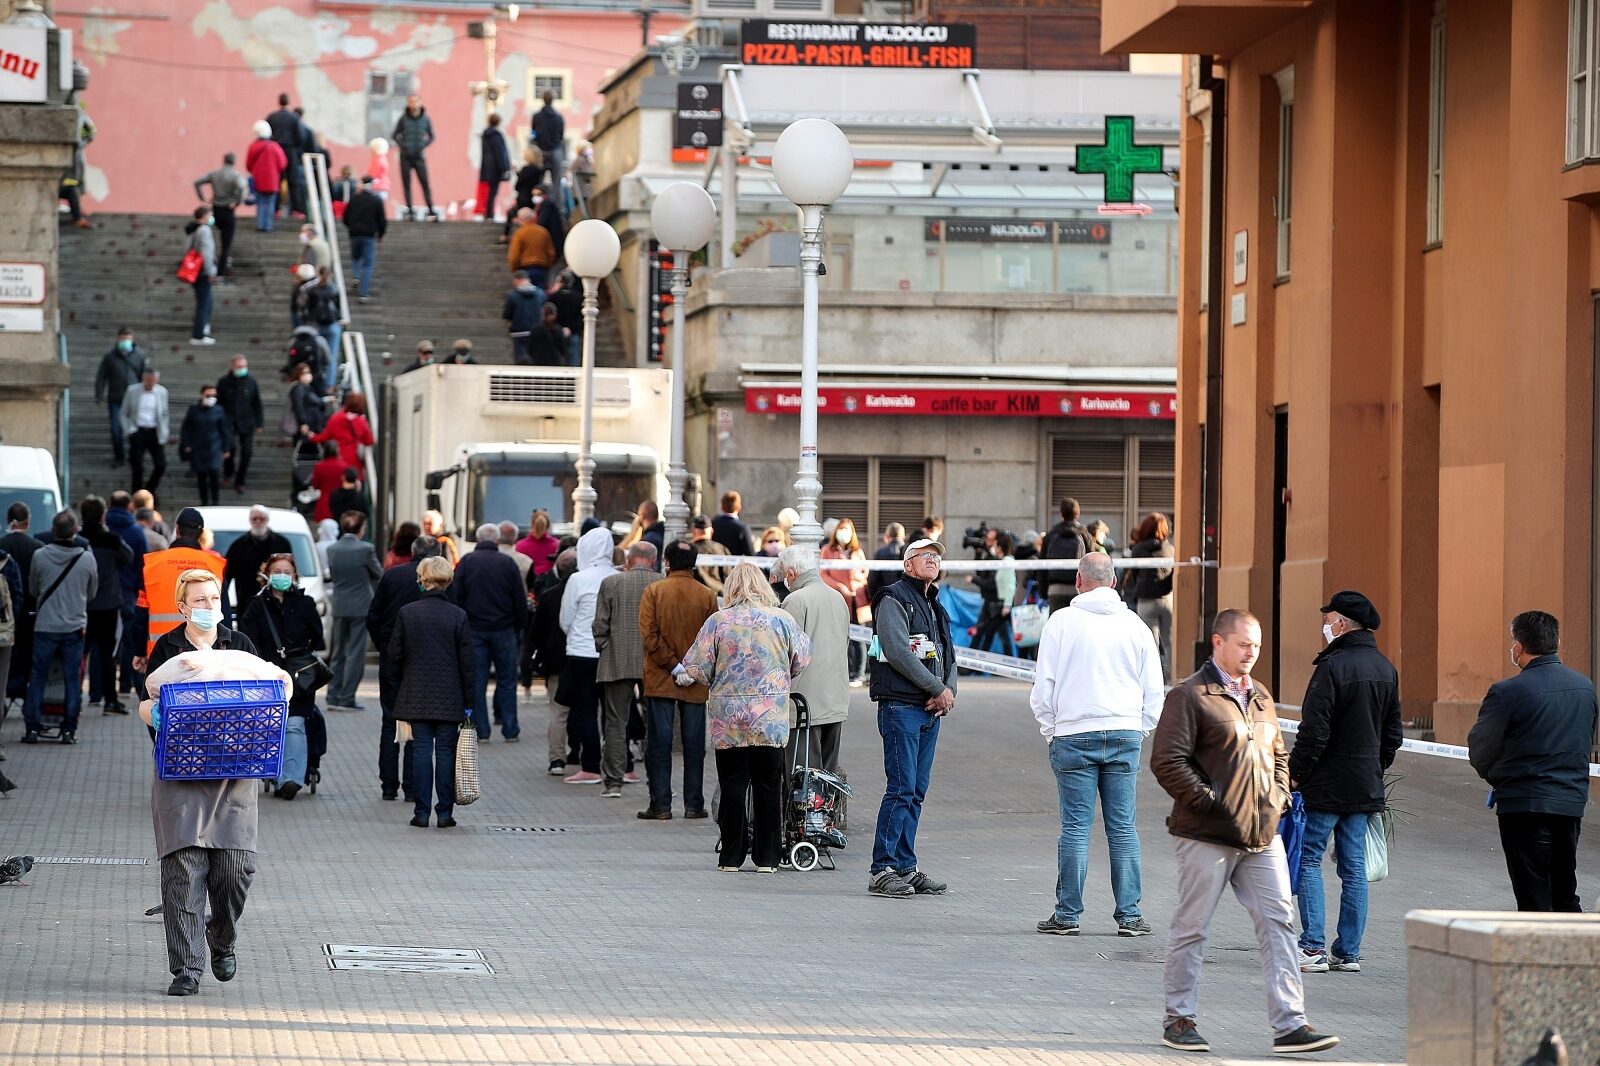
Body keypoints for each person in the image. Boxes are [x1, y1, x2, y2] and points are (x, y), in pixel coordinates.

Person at [1151, 609, 1339, 1056]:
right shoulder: (1191, 695)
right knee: (1193, 927)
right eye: (1243, 644)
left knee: (1279, 923)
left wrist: (1278, 796)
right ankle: (1179, 1019)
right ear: (1218, 642)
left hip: (1261, 834)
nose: (1252, 652)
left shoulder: (1260, 696)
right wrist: (1210, 801)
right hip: (1205, 834)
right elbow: (1167, 760)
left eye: (1256, 645)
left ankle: (1291, 1024)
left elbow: (1277, 753)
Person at [137, 568, 265, 997]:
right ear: (182, 606)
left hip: (234, 775)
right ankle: (186, 968)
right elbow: (149, 698)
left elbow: (264, 695)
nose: (209, 607)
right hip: (181, 772)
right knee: (182, 871)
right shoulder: (167, 648)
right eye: (200, 601)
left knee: (234, 870)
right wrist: (154, 716)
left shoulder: (239, 646)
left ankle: (222, 935)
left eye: (214, 598)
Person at [1027, 551, 1163, 937]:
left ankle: (1067, 915)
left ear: (1078, 581)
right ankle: (1130, 915)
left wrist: (1051, 729)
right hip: (1123, 733)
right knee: (1122, 828)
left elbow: (1044, 687)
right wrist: (1140, 728)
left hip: (1073, 734)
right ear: (1115, 582)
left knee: (1075, 828)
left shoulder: (1061, 622)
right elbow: (1155, 688)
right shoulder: (1135, 626)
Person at [1289, 590, 1403, 972]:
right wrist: (1375, 768)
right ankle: (1348, 952)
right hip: (1363, 786)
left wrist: (1296, 772)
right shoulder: (1386, 669)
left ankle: (1313, 948)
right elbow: (1393, 735)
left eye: (1330, 618)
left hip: (1325, 785)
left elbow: (1313, 731)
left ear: (1342, 624)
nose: (1326, 625)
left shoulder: (1331, 668)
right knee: (1353, 867)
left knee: (1309, 860)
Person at [680, 562, 811, 872]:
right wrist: (779, 680)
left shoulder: (718, 621)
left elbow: (696, 666)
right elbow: (802, 658)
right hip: (769, 717)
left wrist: (719, 681)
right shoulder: (781, 619)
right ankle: (767, 857)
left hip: (729, 719)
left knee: (732, 786)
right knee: (769, 786)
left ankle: (731, 856)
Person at [1468, 610, 1599, 913]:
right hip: (1569, 802)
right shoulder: (1584, 687)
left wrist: (1500, 777)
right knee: (1565, 891)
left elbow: (1480, 748)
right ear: (1556, 641)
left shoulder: (1507, 691)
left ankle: (1543, 955)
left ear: (1519, 647)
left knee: (1532, 894)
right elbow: (1585, 738)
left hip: (1523, 803)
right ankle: (1575, 955)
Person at [866, 538, 956, 898]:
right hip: (900, 705)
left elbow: (950, 654)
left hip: (929, 709)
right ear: (908, 564)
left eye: (936, 556)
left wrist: (947, 692)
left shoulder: (935, 603)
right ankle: (881, 868)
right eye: (925, 556)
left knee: (916, 791)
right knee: (901, 788)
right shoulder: (893, 598)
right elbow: (898, 651)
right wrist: (937, 687)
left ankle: (905, 865)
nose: (933, 560)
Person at [636, 539, 718, 820]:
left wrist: (674, 666)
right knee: (694, 746)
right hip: (695, 681)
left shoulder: (654, 591)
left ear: (667, 562)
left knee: (659, 743)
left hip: (661, 678)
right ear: (694, 563)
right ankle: (694, 804)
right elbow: (711, 641)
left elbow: (650, 636)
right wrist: (690, 668)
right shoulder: (707, 595)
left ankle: (660, 805)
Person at [390, 556, 473, 827]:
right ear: (447, 580)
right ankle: (445, 813)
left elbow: (394, 655)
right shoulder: (458, 616)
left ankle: (421, 812)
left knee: (422, 751)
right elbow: (468, 664)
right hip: (450, 697)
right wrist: (469, 704)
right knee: (447, 752)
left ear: (422, 578)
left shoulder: (408, 612)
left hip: (417, 694)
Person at [238, 553, 326, 799]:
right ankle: (277, 775)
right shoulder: (256, 606)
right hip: (267, 674)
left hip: (299, 677)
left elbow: (317, 638)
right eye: (277, 571)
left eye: (287, 572)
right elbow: (248, 641)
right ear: (266, 574)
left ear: (295, 576)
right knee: (273, 724)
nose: (282, 576)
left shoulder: (306, 603)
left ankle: (290, 780)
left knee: (295, 724)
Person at [367, 534, 438, 801]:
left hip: (392, 656)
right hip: (425, 659)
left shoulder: (392, 576)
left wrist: (384, 644)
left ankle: (388, 785)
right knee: (417, 721)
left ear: (412, 550)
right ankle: (411, 786)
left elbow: (373, 616)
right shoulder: (440, 581)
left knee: (391, 719)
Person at [21, 510, 97, 745]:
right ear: (75, 530)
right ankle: (68, 730)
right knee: (73, 680)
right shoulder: (86, 558)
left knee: (38, 678)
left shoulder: (39, 555)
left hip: (45, 626)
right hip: (74, 627)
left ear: (53, 531)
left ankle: (32, 729)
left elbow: (33, 589)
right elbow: (92, 593)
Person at [593, 542, 661, 797]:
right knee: (656, 722)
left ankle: (613, 782)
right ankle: (658, 782)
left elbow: (600, 624)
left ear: (630, 559)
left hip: (617, 659)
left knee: (615, 722)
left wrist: (603, 645)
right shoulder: (661, 583)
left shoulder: (611, 583)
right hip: (654, 662)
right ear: (653, 560)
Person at [450, 524, 528, 742]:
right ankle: (510, 728)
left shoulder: (467, 562)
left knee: (477, 682)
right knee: (507, 681)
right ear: (496, 540)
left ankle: (481, 730)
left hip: (474, 630)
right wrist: (519, 626)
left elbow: (457, 596)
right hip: (504, 630)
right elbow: (518, 599)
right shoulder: (507, 563)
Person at [778, 545, 850, 776]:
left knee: (803, 782)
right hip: (835, 700)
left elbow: (787, 653)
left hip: (803, 705)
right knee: (828, 780)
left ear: (790, 573)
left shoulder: (795, 600)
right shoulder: (837, 597)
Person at [558, 526, 617, 783]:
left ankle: (590, 765)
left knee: (585, 710)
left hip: (581, 652)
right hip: (610, 652)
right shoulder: (617, 576)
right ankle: (620, 765)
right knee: (614, 711)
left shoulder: (578, 579)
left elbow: (566, 619)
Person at [130, 508, 225, 667]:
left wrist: (139, 652)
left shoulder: (152, 564)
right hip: (205, 651)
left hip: (161, 652)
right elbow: (223, 612)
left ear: (177, 530)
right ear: (201, 532)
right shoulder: (215, 564)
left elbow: (140, 613)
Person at [78, 496, 133, 717]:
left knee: (80, 653)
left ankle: (71, 699)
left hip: (82, 604)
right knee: (108, 654)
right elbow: (128, 556)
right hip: (109, 605)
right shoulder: (111, 539)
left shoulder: (79, 539)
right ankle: (111, 700)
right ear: (102, 515)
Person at [325, 510, 382, 713]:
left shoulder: (333, 549)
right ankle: (347, 697)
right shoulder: (366, 549)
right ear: (360, 528)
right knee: (355, 653)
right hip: (360, 605)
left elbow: (332, 574)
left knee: (338, 651)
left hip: (340, 604)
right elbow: (379, 574)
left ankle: (332, 694)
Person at [531, 546, 578, 775]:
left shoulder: (549, 596)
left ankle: (557, 759)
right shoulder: (590, 592)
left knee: (557, 712)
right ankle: (580, 752)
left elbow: (536, 633)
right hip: (584, 659)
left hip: (556, 661)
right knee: (587, 709)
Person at [105, 492, 147, 698]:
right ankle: (126, 685)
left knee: (101, 643)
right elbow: (143, 567)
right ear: (129, 506)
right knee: (130, 640)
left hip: (103, 594)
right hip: (130, 593)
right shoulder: (137, 532)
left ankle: (97, 692)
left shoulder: (104, 530)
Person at [220, 506, 289, 627]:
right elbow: (227, 576)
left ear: (267, 520)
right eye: (254, 518)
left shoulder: (281, 543)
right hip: (247, 605)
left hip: (276, 603)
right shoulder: (238, 546)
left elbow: (290, 572)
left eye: (261, 519)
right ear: (250, 520)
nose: (258, 522)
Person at [1126, 512, 1176, 679]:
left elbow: (1134, 573)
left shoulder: (1138, 549)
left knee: (1150, 643)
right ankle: (1173, 677)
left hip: (1146, 599)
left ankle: (1154, 679)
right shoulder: (1170, 548)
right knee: (1169, 642)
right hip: (1167, 598)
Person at [820, 517, 869, 684]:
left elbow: (865, 572)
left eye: (847, 529)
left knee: (859, 637)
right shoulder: (827, 550)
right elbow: (823, 574)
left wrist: (858, 578)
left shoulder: (857, 552)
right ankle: (843, 672)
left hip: (857, 600)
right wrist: (840, 587)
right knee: (840, 637)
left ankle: (859, 673)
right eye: (841, 529)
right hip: (838, 599)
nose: (844, 533)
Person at [95, 327, 147, 466]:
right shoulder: (110, 356)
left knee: (134, 430)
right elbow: (101, 377)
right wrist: (99, 396)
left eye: (128, 339)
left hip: (134, 399)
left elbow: (144, 376)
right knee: (116, 429)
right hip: (116, 399)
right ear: (117, 339)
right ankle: (119, 457)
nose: (126, 342)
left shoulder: (139, 355)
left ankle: (134, 456)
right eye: (123, 339)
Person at [214, 356, 263, 495]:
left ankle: (240, 480)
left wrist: (259, 422)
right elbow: (218, 403)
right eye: (239, 367)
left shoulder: (251, 381)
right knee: (230, 449)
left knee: (247, 452)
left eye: (244, 366)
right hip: (228, 421)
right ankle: (228, 473)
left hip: (246, 422)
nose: (242, 369)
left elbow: (256, 403)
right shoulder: (223, 382)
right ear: (232, 367)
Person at [179, 383, 232, 507]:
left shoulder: (219, 410)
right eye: (208, 395)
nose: (211, 398)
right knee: (201, 476)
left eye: (214, 395)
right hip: (198, 448)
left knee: (214, 474)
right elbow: (186, 428)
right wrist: (186, 444)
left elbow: (224, 430)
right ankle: (204, 502)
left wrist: (226, 448)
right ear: (202, 395)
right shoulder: (193, 409)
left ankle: (215, 501)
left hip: (214, 447)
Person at [122, 366, 170, 497]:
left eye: (154, 380)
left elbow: (164, 412)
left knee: (161, 465)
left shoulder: (162, 392)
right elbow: (124, 412)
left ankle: (149, 492)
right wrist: (129, 429)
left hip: (155, 431)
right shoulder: (132, 391)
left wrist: (165, 430)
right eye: (149, 380)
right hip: (138, 431)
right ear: (144, 379)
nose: (151, 383)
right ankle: (136, 496)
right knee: (137, 466)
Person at [392, 93, 438, 221]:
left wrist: (423, 145)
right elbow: (395, 135)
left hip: (419, 156)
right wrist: (404, 145)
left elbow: (432, 136)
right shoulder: (403, 119)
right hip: (405, 156)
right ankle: (410, 210)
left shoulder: (426, 119)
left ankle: (430, 209)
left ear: (420, 103)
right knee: (407, 184)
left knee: (425, 183)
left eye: (415, 101)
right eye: (411, 101)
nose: (413, 104)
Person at [971, 531, 1018, 657]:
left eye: (996, 546)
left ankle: (983, 663)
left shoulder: (1006, 563)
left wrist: (1007, 605)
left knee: (991, 632)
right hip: (1002, 605)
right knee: (993, 633)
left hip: (1004, 606)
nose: (994, 549)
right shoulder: (1003, 562)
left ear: (1000, 548)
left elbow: (1010, 586)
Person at [1043, 498, 1092, 613]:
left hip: (1055, 589)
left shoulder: (1051, 535)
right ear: (1078, 514)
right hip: (1079, 589)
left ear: (1061, 514)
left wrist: (1043, 592)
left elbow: (1043, 565)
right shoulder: (1085, 535)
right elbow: (1091, 563)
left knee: (1057, 626)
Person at [343, 175, 386, 302]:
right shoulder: (376, 200)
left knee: (356, 257)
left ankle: (356, 276)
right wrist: (381, 234)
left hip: (355, 234)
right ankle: (363, 293)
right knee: (367, 264)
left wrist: (351, 227)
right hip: (369, 235)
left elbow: (346, 217)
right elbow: (381, 220)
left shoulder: (354, 199)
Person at [266, 93, 307, 218]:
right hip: (290, 151)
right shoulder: (294, 118)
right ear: (288, 102)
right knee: (293, 180)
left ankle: (276, 209)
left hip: (275, 150)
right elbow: (301, 136)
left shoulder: (272, 117)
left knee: (276, 179)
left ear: (279, 102)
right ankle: (297, 210)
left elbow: (266, 135)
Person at [183, 206, 218, 345]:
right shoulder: (204, 230)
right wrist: (211, 271)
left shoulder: (192, 229)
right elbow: (207, 252)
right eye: (210, 215)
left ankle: (203, 328)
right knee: (204, 303)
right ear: (204, 216)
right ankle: (198, 335)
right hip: (202, 271)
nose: (211, 218)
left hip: (194, 270)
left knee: (205, 301)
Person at [309, 392, 373, 468]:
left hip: (338, 457)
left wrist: (312, 437)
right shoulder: (362, 422)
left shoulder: (336, 418)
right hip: (354, 460)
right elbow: (369, 441)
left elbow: (325, 436)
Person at [245, 120, 287, 231]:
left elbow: (248, 164)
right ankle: (268, 225)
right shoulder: (275, 146)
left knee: (260, 202)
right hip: (272, 180)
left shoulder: (253, 146)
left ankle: (260, 224)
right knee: (270, 203)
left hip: (258, 179)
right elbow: (283, 163)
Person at [530, 89, 566, 208]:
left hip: (541, 151)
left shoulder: (536, 117)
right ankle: (558, 209)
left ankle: (537, 207)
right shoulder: (559, 117)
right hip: (555, 150)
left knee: (538, 182)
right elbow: (561, 135)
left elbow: (534, 133)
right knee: (557, 183)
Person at [503, 144, 546, 243]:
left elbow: (518, 186)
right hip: (534, 199)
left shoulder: (526, 169)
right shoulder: (539, 170)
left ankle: (506, 236)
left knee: (513, 215)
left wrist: (519, 175)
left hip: (523, 198)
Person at [507, 207, 556, 285]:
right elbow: (551, 253)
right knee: (540, 294)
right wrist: (547, 266)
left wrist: (514, 269)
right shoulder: (543, 232)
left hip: (524, 270)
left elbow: (514, 255)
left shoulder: (519, 233)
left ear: (521, 219)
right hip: (541, 270)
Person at [479, 111, 511, 221]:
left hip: (486, 168)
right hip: (495, 169)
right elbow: (500, 153)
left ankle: (487, 213)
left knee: (488, 192)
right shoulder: (496, 135)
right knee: (493, 193)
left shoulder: (485, 135)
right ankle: (489, 214)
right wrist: (504, 168)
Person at [546, 270, 584, 366]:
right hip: (573, 331)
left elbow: (549, 314)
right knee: (573, 356)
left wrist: (559, 327)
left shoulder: (553, 297)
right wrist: (571, 328)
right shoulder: (578, 297)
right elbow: (581, 317)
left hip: (556, 331)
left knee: (556, 356)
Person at [689, 515, 731, 595]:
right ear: (711, 531)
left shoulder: (686, 549)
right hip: (718, 595)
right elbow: (728, 576)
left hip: (693, 596)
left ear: (693, 531)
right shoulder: (721, 549)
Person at [867, 522, 906, 605]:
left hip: (885, 598)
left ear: (887, 536)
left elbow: (872, 579)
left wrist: (872, 597)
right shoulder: (909, 552)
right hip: (906, 598)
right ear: (903, 537)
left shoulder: (880, 553)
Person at [309, 443, 346, 525]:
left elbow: (315, 485)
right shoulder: (344, 466)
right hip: (340, 502)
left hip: (324, 501)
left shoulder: (319, 466)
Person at [711, 491, 753, 557]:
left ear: (721, 506)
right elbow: (750, 553)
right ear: (739, 507)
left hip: (715, 565)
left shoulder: (713, 523)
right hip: (735, 566)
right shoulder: (742, 527)